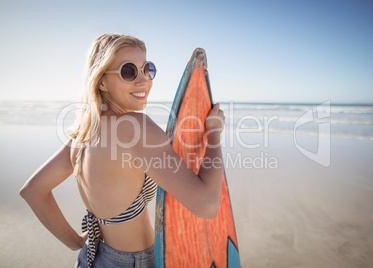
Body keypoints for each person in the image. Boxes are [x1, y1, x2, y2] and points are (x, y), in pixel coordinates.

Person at [19, 33, 225, 268]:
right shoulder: (136, 127)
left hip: (92, 257)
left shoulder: (83, 134)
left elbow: (33, 190)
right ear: (102, 81)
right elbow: (207, 205)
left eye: (148, 69)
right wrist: (214, 134)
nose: (143, 80)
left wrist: (76, 242)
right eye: (128, 71)